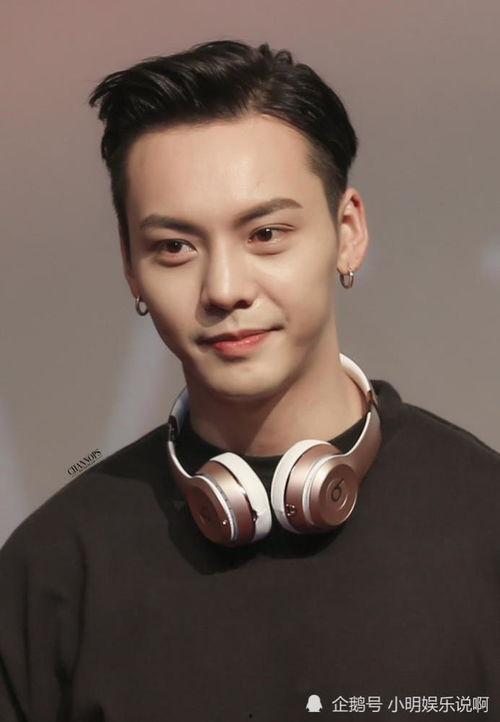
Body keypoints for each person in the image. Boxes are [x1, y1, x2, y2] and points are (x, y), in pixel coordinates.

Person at [0, 38, 499, 722]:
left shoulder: (484, 523)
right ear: (130, 267)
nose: (225, 288)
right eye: (175, 246)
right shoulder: (52, 575)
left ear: (348, 232)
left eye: (265, 234)